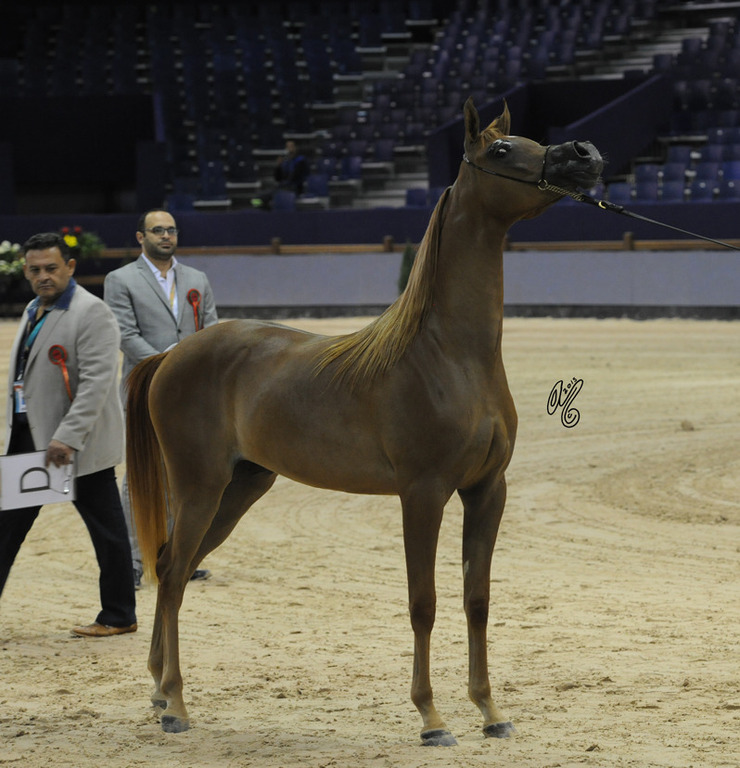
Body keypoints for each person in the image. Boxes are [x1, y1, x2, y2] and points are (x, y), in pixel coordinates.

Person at [0, 232, 137, 637]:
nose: (43, 276)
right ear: (25, 271)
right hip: (32, 439)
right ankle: (119, 613)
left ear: (70, 267)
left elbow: (97, 382)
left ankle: (118, 615)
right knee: (6, 529)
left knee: (107, 531)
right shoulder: (32, 309)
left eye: (51, 268)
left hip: (74, 446)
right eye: (35, 270)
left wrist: (68, 438)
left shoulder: (91, 312)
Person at [103, 209, 218, 588]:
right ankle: (133, 561)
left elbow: (212, 331)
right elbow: (125, 333)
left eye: (171, 230)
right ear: (141, 237)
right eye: (157, 230)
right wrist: (170, 363)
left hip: (192, 395)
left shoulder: (196, 279)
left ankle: (176, 554)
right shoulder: (120, 280)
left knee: (182, 472)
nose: (166, 236)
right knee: (138, 474)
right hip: (144, 386)